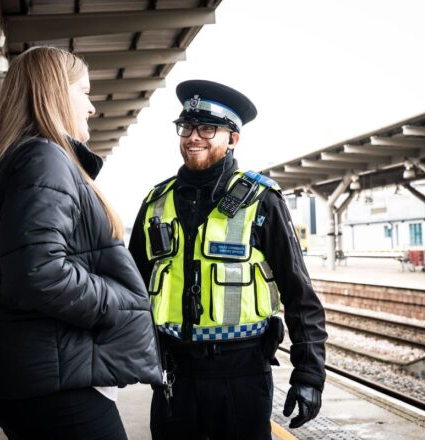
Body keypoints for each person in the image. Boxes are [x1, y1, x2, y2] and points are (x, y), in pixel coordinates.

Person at [0, 47, 162, 440]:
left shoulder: (16, 159)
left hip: (39, 375)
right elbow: (39, 272)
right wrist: (123, 302)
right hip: (58, 388)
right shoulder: (44, 158)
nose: (92, 107)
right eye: (85, 91)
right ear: (56, 94)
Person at [128, 79, 327, 440]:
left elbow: (300, 293)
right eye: (186, 127)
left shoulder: (262, 201)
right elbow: (130, 290)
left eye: (207, 128)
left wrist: (309, 373)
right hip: (174, 377)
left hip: (242, 378)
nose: (193, 137)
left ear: (233, 138)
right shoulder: (156, 203)